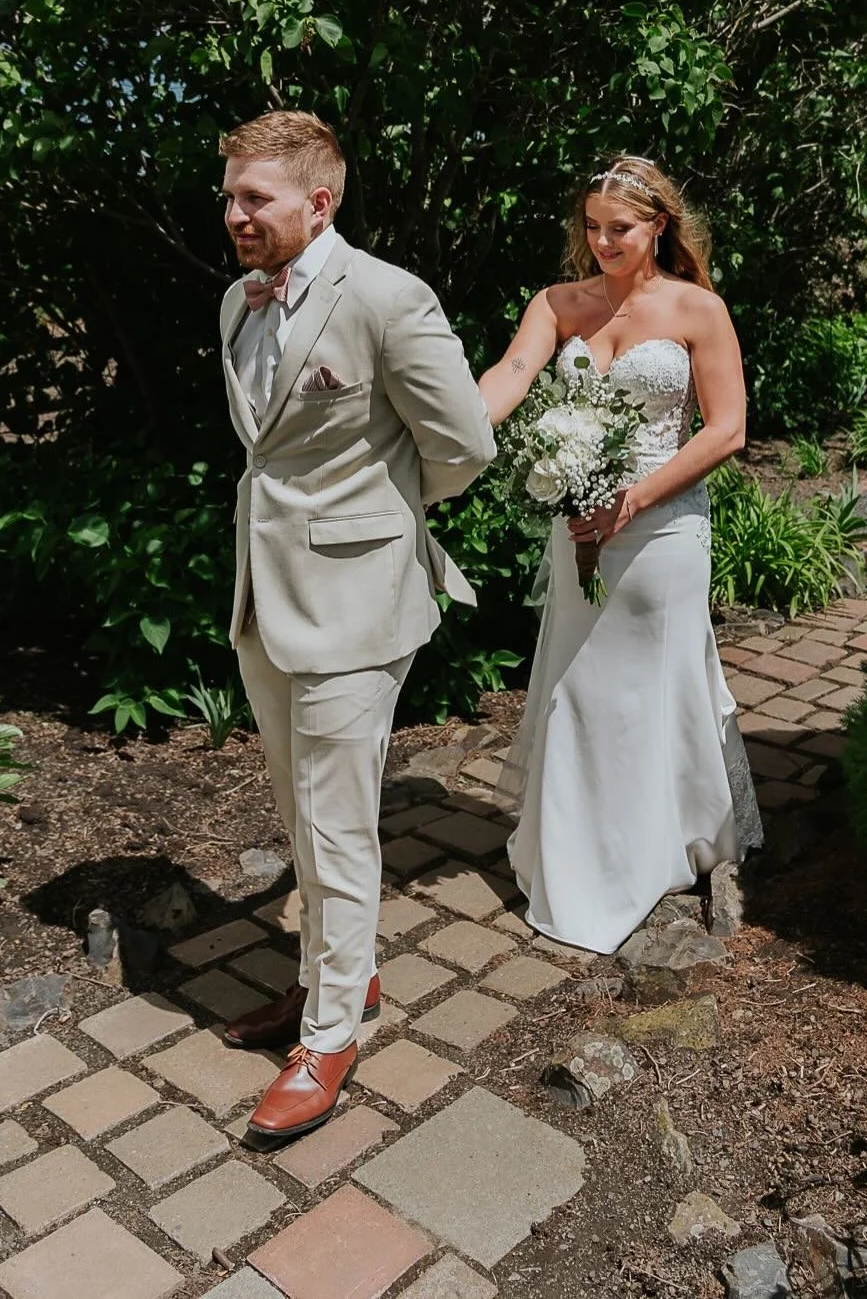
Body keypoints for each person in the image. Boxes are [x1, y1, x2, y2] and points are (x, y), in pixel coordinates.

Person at [216, 110, 495, 1141]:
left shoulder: (385, 296)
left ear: (316, 202)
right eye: (231, 194)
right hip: (262, 598)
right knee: (300, 814)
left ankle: (331, 1034)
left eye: (256, 197)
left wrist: (382, 521)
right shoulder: (233, 303)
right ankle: (342, 977)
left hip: (355, 604)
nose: (235, 213)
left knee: (337, 826)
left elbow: (462, 443)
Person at [478, 155, 762, 954]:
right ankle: (575, 860)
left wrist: (633, 499)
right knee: (577, 688)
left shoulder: (697, 309)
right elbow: (510, 373)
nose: (601, 242)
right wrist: (451, 432)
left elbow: (726, 429)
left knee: (646, 693)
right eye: (591, 227)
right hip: (577, 528)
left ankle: (653, 850)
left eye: (620, 229)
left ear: (658, 226)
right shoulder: (558, 304)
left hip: (662, 528)